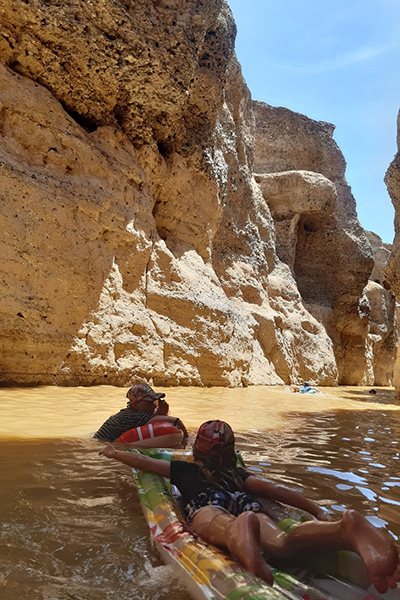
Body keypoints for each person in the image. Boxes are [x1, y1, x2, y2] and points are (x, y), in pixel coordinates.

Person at [99, 420, 400, 593]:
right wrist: (318, 511)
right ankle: (343, 529)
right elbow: (276, 490)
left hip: (209, 506)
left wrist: (114, 453)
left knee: (215, 523)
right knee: (283, 544)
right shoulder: (238, 475)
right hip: (247, 504)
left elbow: (143, 461)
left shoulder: (184, 470)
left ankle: (237, 532)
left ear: (197, 449)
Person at [93, 383, 189, 443]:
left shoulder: (133, 411)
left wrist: (162, 406)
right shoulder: (133, 416)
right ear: (135, 402)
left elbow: (156, 416)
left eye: (154, 401)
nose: (154, 405)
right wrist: (186, 440)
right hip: (100, 444)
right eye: (149, 402)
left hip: (99, 442)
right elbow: (176, 421)